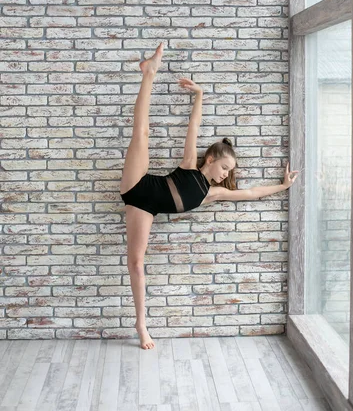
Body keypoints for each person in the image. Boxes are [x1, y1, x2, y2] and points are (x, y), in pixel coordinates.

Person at [120, 43, 299, 350]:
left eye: (230, 171)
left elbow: (252, 192)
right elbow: (194, 125)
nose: (225, 175)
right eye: (225, 167)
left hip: (145, 207)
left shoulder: (213, 194)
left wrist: (281, 187)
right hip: (139, 184)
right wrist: (200, 95)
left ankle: (141, 323)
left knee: (136, 263)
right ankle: (149, 72)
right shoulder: (190, 164)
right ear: (212, 158)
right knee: (142, 133)